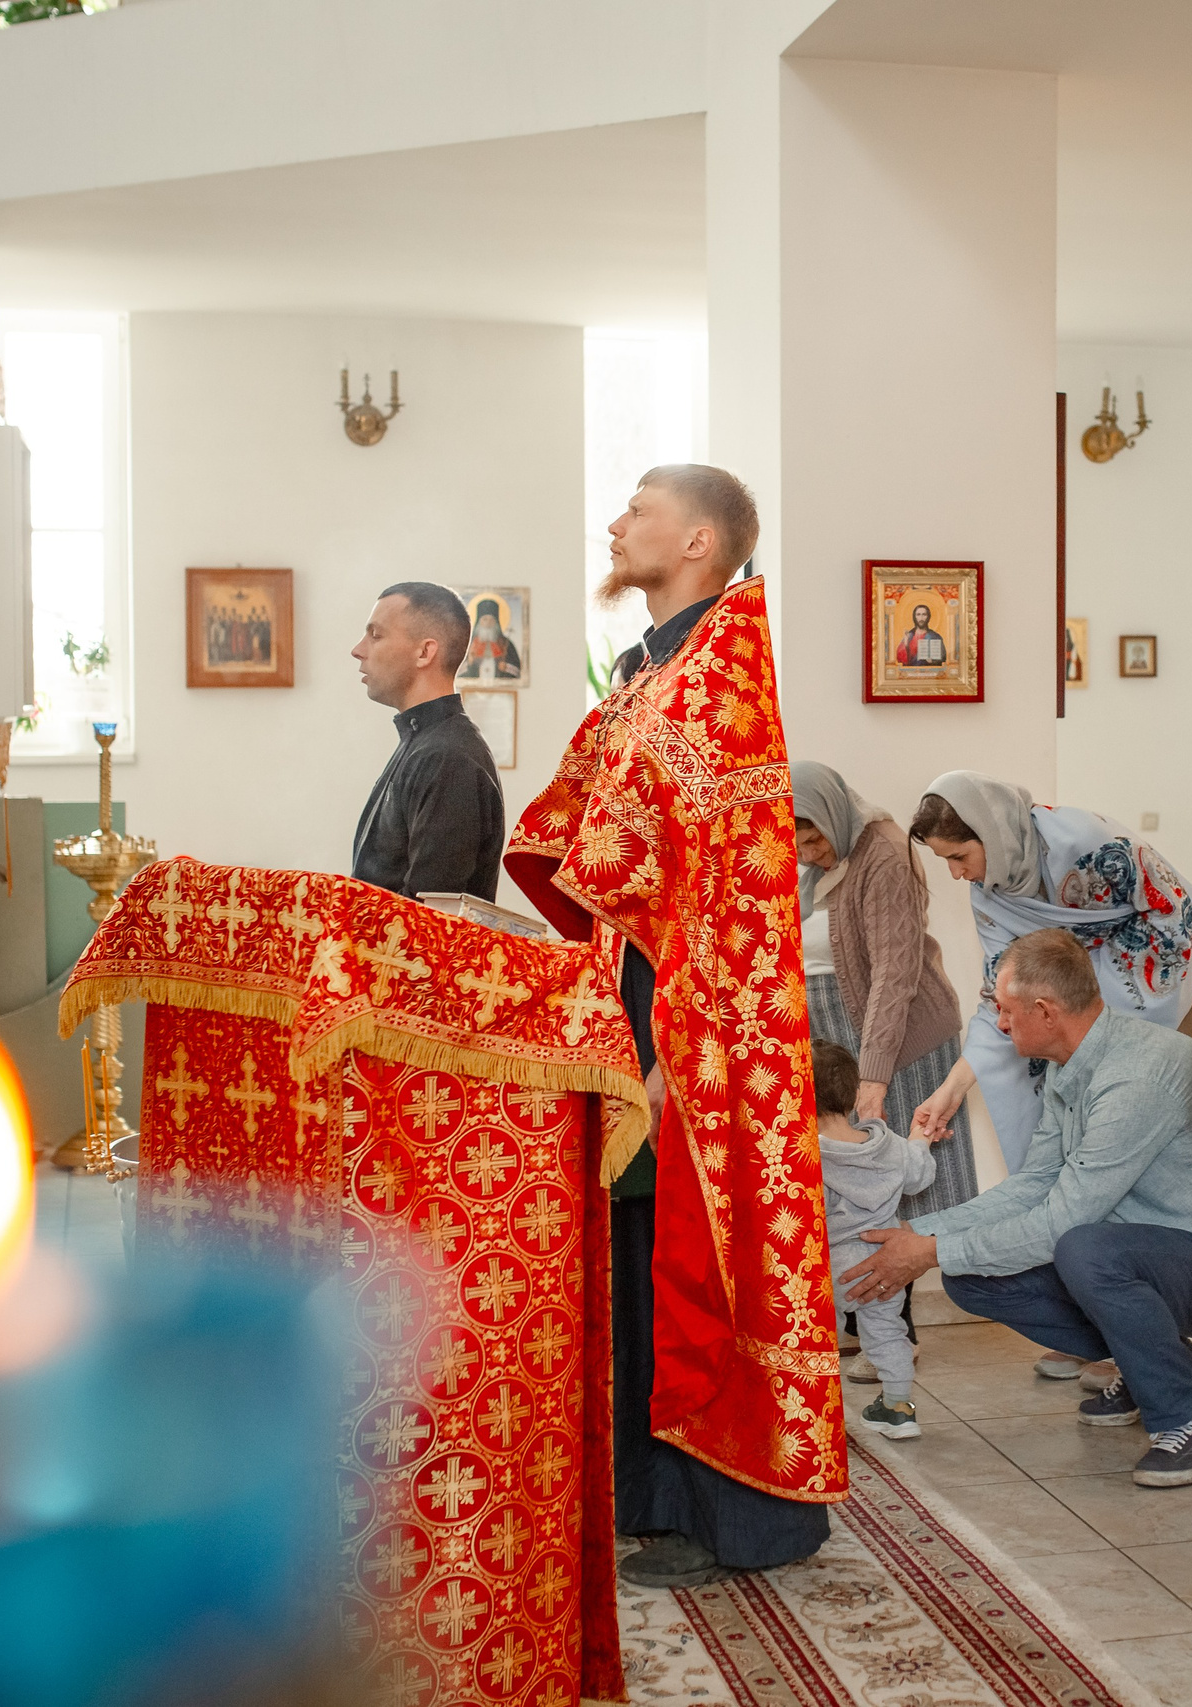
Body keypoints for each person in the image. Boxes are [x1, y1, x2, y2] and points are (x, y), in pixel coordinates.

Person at [507, 464, 844, 1591]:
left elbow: (711, 896)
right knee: (643, 1255)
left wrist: (661, 1059)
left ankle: (740, 1523)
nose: (614, 522)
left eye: (637, 509)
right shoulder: (657, 672)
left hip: (694, 1034)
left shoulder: (718, 678)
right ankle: (654, 1497)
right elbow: (593, 846)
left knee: (703, 1257)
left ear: (700, 540)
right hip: (635, 1004)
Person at [842, 930, 1192, 1488]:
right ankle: (1152, 1360)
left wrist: (929, 1251)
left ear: (1045, 1011)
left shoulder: (1134, 1077)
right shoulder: (1069, 1063)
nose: (999, 1026)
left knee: (1083, 1248)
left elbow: (1061, 1222)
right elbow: (1034, 1184)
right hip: (1150, 1251)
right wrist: (917, 1234)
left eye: (1004, 1011)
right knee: (969, 1274)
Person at [904, 772, 1192, 1177]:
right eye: (945, 862)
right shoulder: (990, 896)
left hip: (1179, 966)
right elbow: (1003, 993)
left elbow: (1170, 905)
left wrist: (1101, 1007)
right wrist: (951, 1089)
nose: (956, 874)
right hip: (1080, 986)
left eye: (959, 857)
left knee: (1173, 1105)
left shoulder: (1079, 837)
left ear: (992, 835)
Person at [792, 760, 975, 1219]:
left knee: (921, 1181)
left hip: (902, 1034)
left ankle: (928, 1284)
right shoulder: (801, 863)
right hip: (832, 1029)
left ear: (833, 814)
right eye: (798, 846)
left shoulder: (885, 853)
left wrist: (873, 1078)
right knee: (851, 1187)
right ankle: (869, 1285)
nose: (808, 855)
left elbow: (894, 977)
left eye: (815, 840)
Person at [348, 580, 503, 901]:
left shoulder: (448, 757)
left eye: (375, 635)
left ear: (424, 652)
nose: (358, 650)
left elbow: (428, 912)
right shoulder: (423, 740)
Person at [810, 1038, 934, 1442]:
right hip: (883, 1265)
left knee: (812, 1338)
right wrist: (919, 1138)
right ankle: (898, 1409)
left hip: (827, 1269)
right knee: (887, 1333)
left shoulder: (806, 1154)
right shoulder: (889, 1144)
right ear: (852, 1095)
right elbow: (919, 1175)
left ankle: (812, 1414)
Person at [462, 597, 525, 680]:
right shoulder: (468, 644)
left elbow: (518, 671)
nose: (488, 623)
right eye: (485, 619)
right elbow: (454, 673)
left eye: (492, 620)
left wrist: (506, 667)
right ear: (479, 622)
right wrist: (469, 663)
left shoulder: (506, 643)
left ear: (496, 622)